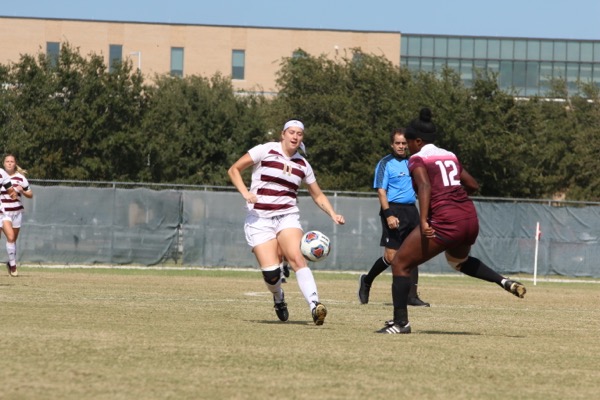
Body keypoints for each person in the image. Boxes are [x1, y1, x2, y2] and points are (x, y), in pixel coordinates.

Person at [377, 108, 526, 334]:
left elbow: (425, 186)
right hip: (468, 218)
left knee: (400, 263)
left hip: (446, 220)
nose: (407, 147)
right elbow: (473, 185)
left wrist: (425, 220)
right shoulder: (449, 155)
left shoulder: (417, 159)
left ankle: (400, 323)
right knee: (458, 261)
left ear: (418, 140)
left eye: (409, 142)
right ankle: (502, 281)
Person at [228, 119, 345, 325]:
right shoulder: (265, 150)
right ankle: (278, 297)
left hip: (287, 216)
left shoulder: (303, 164)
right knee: (271, 274)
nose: (295, 137)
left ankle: (315, 306)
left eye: (299, 134)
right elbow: (234, 170)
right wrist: (246, 193)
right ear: (283, 134)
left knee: (298, 259)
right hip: (259, 219)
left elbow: (317, 195)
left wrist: (333, 214)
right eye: (291, 132)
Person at [358, 128, 429, 306]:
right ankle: (367, 280)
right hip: (393, 210)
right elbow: (381, 191)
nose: (401, 146)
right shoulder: (385, 163)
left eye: (404, 143)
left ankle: (411, 296)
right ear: (392, 144)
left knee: (415, 253)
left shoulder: (414, 162)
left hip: (411, 210)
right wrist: (389, 214)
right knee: (391, 257)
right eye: (397, 143)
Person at [1, 154, 32, 277]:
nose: (9, 163)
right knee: (10, 236)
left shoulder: (21, 178)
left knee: (13, 240)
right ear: (4, 163)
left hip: (17, 212)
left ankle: (10, 263)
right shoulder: (1, 175)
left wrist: (22, 191)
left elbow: (30, 194)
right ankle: (13, 267)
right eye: (7, 161)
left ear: (15, 163)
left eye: (11, 161)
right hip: (4, 212)